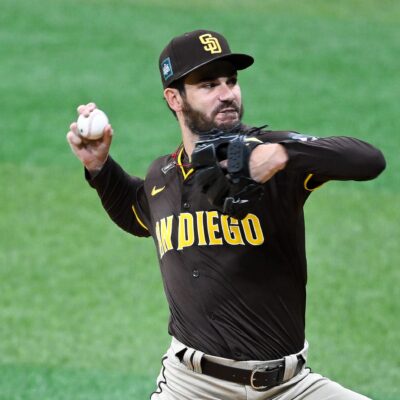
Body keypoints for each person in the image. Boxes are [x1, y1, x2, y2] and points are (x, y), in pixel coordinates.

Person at [67, 29, 385, 400]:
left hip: (290, 387)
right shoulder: (164, 175)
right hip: (191, 387)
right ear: (175, 98)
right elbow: (138, 214)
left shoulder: (267, 151)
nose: (227, 93)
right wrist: (100, 167)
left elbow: (368, 159)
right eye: (208, 84)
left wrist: (283, 155)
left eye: (231, 81)